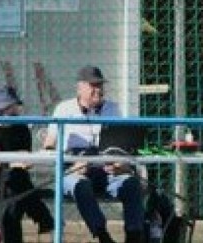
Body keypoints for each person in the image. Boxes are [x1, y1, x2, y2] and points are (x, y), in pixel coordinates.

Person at [43, 66, 145, 243]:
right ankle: (102, 236)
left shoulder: (113, 109)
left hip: (106, 169)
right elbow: (49, 146)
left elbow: (120, 145)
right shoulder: (64, 109)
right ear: (80, 88)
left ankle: (134, 235)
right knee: (80, 185)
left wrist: (121, 164)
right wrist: (72, 165)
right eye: (93, 85)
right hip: (74, 169)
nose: (98, 89)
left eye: (100, 85)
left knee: (131, 183)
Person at [0, 85, 54, 243]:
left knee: (14, 192)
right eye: (9, 107)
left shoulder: (21, 128)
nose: (14, 110)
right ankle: (44, 218)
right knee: (16, 188)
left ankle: (42, 220)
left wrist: (19, 162)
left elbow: (25, 160)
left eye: (13, 106)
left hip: (15, 181)